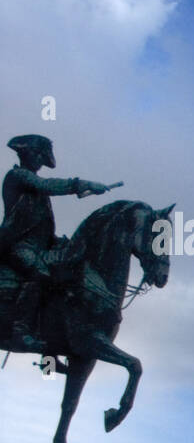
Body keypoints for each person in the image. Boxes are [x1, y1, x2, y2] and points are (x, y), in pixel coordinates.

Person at [1, 134, 114, 350]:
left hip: (40, 245)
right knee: (40, 273)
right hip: (17, 244)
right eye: (36, 154)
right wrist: (82, 184)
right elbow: (47, 185)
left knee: (66, 272)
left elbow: (40, 222)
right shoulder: (18, 176)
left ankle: (51, 345)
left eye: (40, 156)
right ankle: (19, 330)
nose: (38, 160)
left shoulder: (33, 184)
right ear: (25, 154)